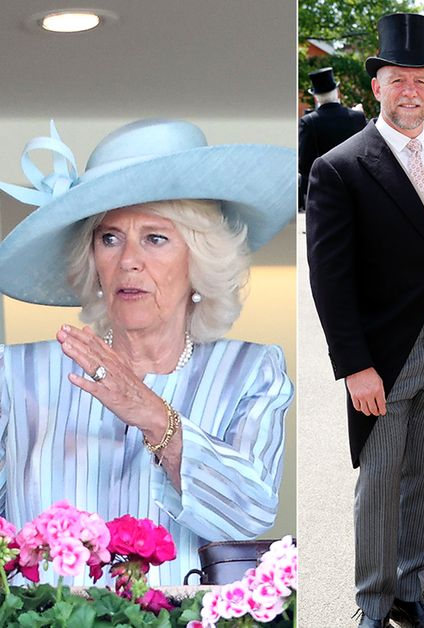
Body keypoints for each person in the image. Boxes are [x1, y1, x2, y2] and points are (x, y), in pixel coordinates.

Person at [0, 118, 295, 585]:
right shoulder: (16, 375)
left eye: (155, 238)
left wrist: (152, 414)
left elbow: (249, 517)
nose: (129, 260)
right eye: (110, 238)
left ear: (199, 259)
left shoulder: (251, 371)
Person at [305, 13, 424, 628]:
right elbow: (329, 279)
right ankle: (370, 608)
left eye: (420, 79)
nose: (410, 91)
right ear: (377, 87)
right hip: (381, 352)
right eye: (398, 79)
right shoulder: (341, 166)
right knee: (378, 483)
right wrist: (355, 366)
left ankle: (409, 594)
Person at [298, 67, 367, 211]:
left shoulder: (308, 121)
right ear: (337, 92)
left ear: (316, 97)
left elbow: (304, 164)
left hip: (323, 190)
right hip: (356, 186)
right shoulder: (357, 117)